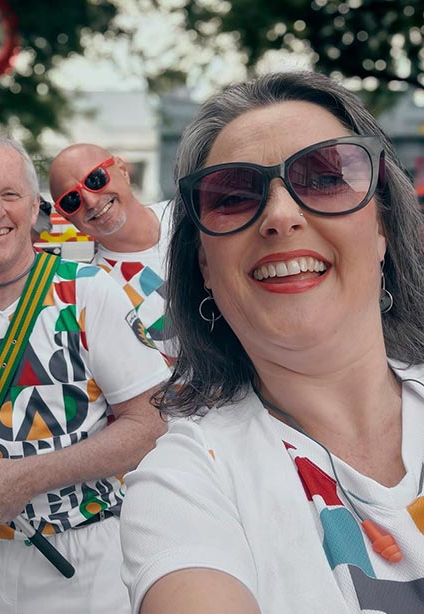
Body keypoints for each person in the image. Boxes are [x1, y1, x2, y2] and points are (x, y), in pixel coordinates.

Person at [120, 71, 424, 614]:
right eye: (233, 195)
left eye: (327, 177)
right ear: (204, 268)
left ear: (381, 227)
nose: (281, 216)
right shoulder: (187, 485)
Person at [0, 133, 170, 614]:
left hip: (95, 557)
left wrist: (28, 477)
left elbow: (149, 425)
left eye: (10, 195)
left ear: (34, 207)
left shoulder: (88, 290)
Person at [49, 144, 174, 359]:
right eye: (72, 200)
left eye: (94, 179)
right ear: (68, 218)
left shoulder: (190, 219)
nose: (91, 200)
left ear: (122, 170)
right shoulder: (96, 292)